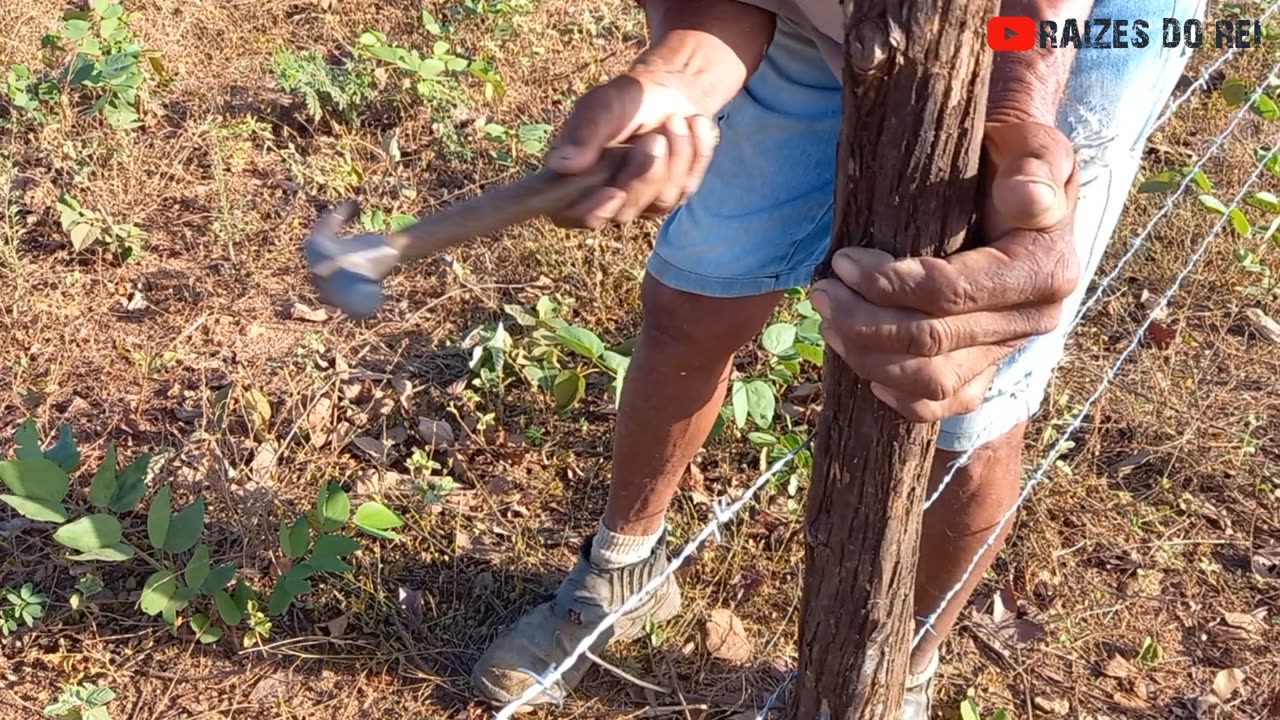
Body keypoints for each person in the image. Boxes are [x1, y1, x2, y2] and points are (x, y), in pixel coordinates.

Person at [470, 0, 1204, 715]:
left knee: (957, 384)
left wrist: (1016, 114)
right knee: (692, 299)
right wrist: (673, 78)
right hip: (830, 18)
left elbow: (1031, 24)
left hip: (1058, 28)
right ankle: (623, 570)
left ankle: (900, 671)